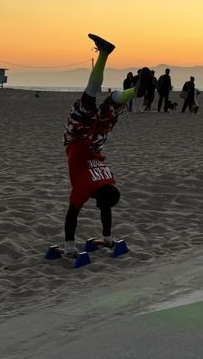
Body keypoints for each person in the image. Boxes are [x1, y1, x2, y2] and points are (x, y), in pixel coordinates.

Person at [61, 34, 153, 259]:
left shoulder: (108, 180)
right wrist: (73, 243)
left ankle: (130, 91)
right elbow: (76, 213)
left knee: (106, 104)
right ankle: (105, 55)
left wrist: (71, 248)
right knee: (89, 102)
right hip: (80, 140)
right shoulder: (87, 188)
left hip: (95, 142)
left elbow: (86, 210)